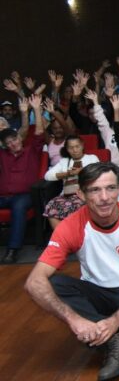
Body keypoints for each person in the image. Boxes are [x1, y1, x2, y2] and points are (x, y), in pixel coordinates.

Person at [24, 162, 119, 381]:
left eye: (110, 188)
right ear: (81, 194)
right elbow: (33, 282)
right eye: (94, 190)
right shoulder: (71, 226)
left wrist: (117, 319)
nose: (104, 197)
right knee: (52, 284)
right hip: (99, 291)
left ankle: (115, 330)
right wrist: (75, 321)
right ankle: (116, 340)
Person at [0, 94, 44, 263]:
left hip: (24, 196)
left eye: (14, 139)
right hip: (3, 196)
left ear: (20, 138)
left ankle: (12, 250)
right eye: (8, 143)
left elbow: (39, 132)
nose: (13, 144)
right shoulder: (3, 154)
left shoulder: (30, 150)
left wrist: (37, 109)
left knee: (19, 207)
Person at [43, 135, 101, 230]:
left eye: (77, 146)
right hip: (67, 196)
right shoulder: (64, 161)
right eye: (71, 148)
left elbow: (98, 173)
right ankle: (63, 237)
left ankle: (75, 237)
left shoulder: (92, 158)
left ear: (82, 146)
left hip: (86, 195)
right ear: (67, 149)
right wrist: (67, 174)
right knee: (51, 205)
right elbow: (47, 176)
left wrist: (81, 171)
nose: (75, 150)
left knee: (75, 206)